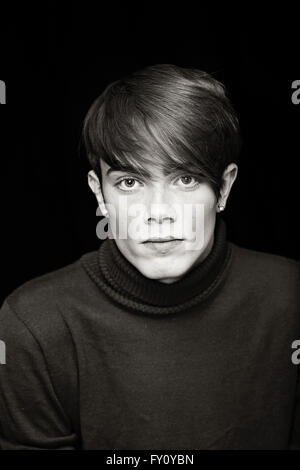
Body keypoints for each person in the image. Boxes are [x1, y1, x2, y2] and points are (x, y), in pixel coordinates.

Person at [0, 64, 299, 450]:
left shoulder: (290, 298)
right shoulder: (32, 326)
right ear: (99, 194)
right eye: (130, 182)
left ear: (224, 188)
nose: (158, 212)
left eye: (185, 179)